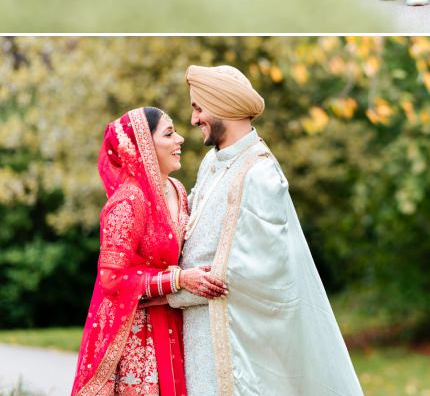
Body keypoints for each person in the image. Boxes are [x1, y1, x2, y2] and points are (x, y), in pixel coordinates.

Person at [168, 65, 363, 396]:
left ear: (223, 106)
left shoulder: (260, 173)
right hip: (199, 334)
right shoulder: (211, 162)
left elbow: (252, 274)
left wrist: (172, 289)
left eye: (199, 108)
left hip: (233, 343)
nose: (193, 120)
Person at [72, 108, 227, 396]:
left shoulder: (177, 190)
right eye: (169, 133)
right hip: (135, 337)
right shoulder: (129, 200)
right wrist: (178, 280)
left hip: (173, 321)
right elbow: (111, 280)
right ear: (142, 144)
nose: (180, 139)